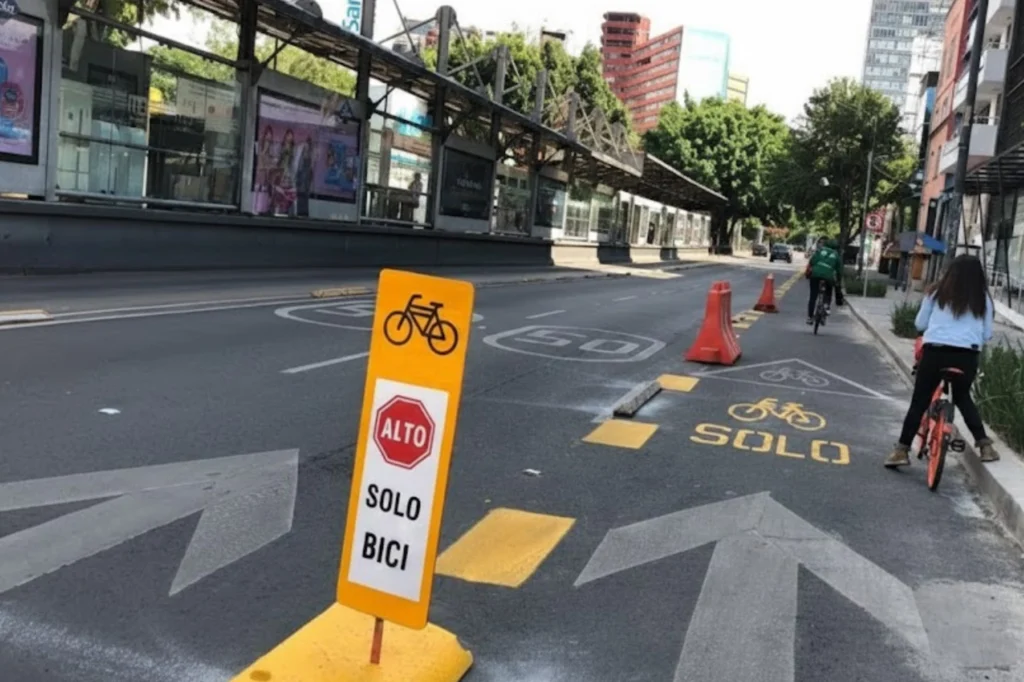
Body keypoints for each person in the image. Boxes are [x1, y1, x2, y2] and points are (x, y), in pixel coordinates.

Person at [885, 255, 999, 467]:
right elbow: (986, 335)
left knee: (920, 400)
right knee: (963, 397)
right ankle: (985, 446)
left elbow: (920, 323)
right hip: (967, 356)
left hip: (935, 353)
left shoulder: (936, 292)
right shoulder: (982, 298)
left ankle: (901, 450)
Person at [806, 238, 842, 325]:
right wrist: (838, 281)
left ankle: (810, 318)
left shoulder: (820, 251)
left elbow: (811, 261)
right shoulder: (836, 255)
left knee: (813, 296)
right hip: (828, 276)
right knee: (828, 291)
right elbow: (839, 271)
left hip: (815, 275)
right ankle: (826, 307)